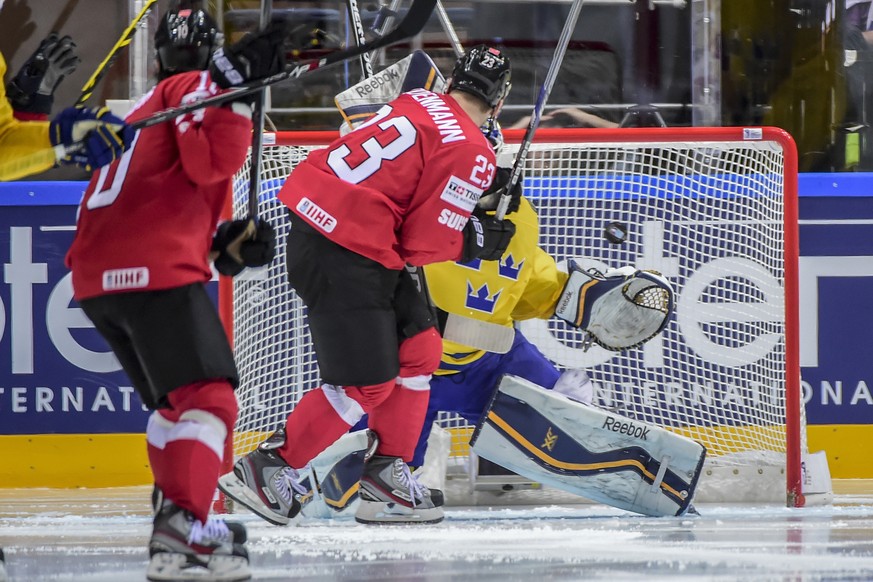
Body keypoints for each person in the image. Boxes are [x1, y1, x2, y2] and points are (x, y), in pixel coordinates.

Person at [218, 45, 516, 526]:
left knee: (421, 348)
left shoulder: (417, 100)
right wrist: (474, 239)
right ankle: (269, 467)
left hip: (337, 231)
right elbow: (422, 245)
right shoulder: (472, 148)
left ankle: (385, 478)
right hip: (348, 247)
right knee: (367, 385)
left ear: (453, 82)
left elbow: (403, 178)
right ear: (499, 102)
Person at [63, 7, 287, 581]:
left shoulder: (141, 109)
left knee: (174, 405)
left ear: (159, 55)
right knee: (211, 400)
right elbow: (215, 160)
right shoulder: (194, 90)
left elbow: (154, 196)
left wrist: (219, 247)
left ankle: (176, 522)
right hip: (153, 271)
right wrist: (234, 96)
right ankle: (185, 526)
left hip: (98, 279)